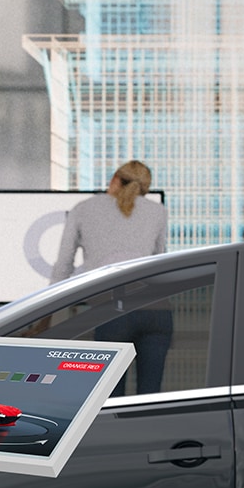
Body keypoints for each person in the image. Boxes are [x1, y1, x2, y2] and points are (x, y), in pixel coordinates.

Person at [50, 160, 172, 393]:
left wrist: (46, 314)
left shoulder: (83, 208)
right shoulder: (158, 211)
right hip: (157, 310)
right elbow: (159, 262)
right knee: (150, 398)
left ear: (115, 180)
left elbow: (63, 266)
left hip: (112, 309)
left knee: (111, 399)